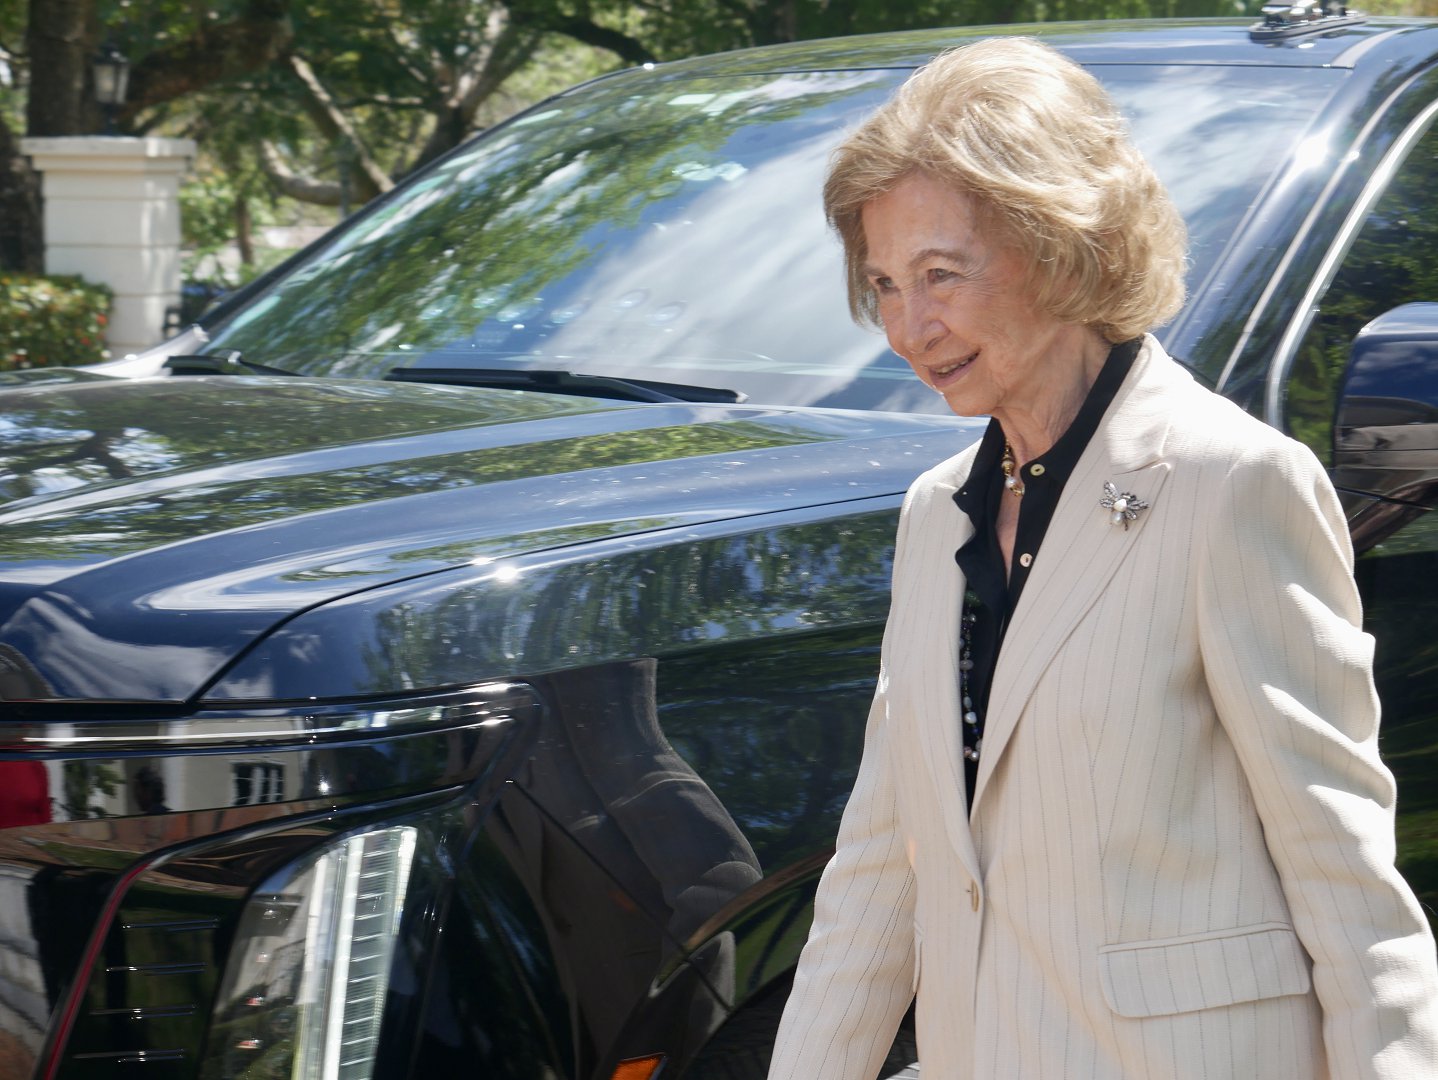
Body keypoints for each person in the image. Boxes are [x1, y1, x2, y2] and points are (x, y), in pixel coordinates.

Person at [768, 36, 1438, 1080]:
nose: (908, 327)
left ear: (1060, 245)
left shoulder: (1233, 482)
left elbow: (1342, 877)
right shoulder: (935, 513)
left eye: (940, 275)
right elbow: (878, 873)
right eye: (886, 284)